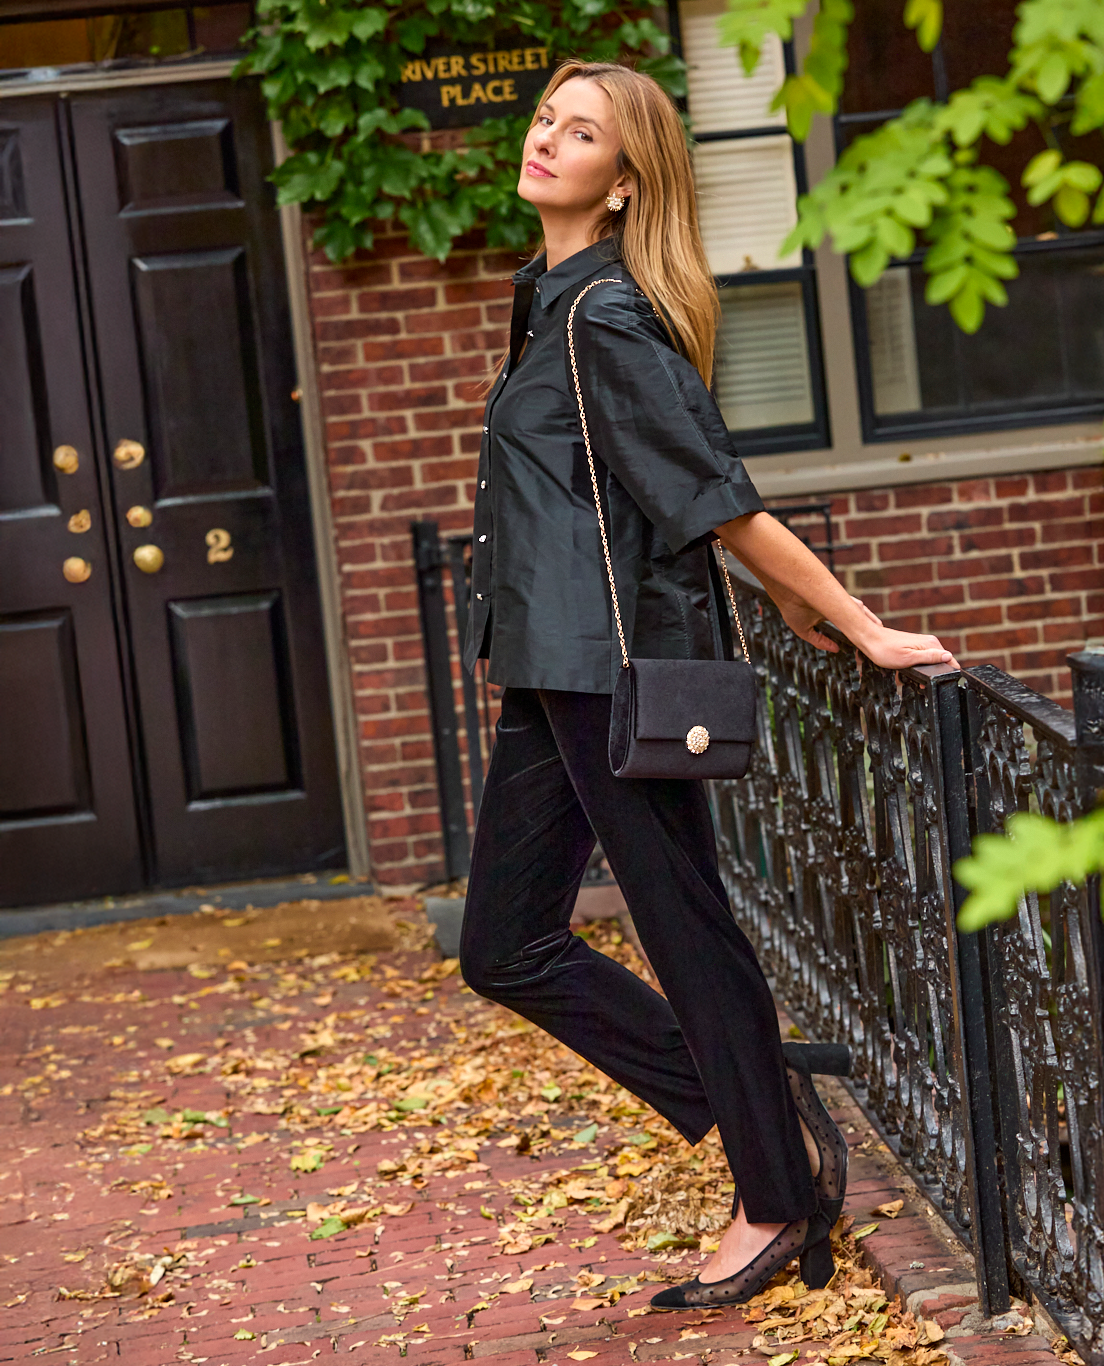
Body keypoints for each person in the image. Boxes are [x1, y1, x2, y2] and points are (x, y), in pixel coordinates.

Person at [458, 60, 957, 1308]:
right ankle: (752, 1089)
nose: (547, 142)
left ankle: (776, 1192)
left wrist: (852, 617)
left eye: (581, 135)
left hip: (612, 670)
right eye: (545, 121)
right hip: (553, 667)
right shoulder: (550, 298)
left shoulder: (606, 318)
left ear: (625, 185)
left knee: (685, 924)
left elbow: (711, 496)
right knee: (503, 946)